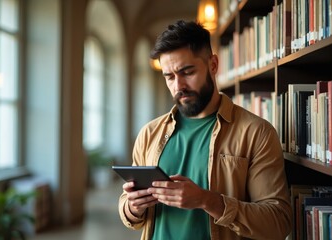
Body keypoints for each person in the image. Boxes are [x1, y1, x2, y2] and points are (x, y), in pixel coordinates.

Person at [118, 20, 292, 240]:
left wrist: (207, 200)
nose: (178, 86)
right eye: (170, 77)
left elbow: (278, 223)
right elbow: (128, 207)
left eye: (187, 72)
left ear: (213, 65)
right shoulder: (149, 133)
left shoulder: (257, 133)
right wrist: (133, 207)